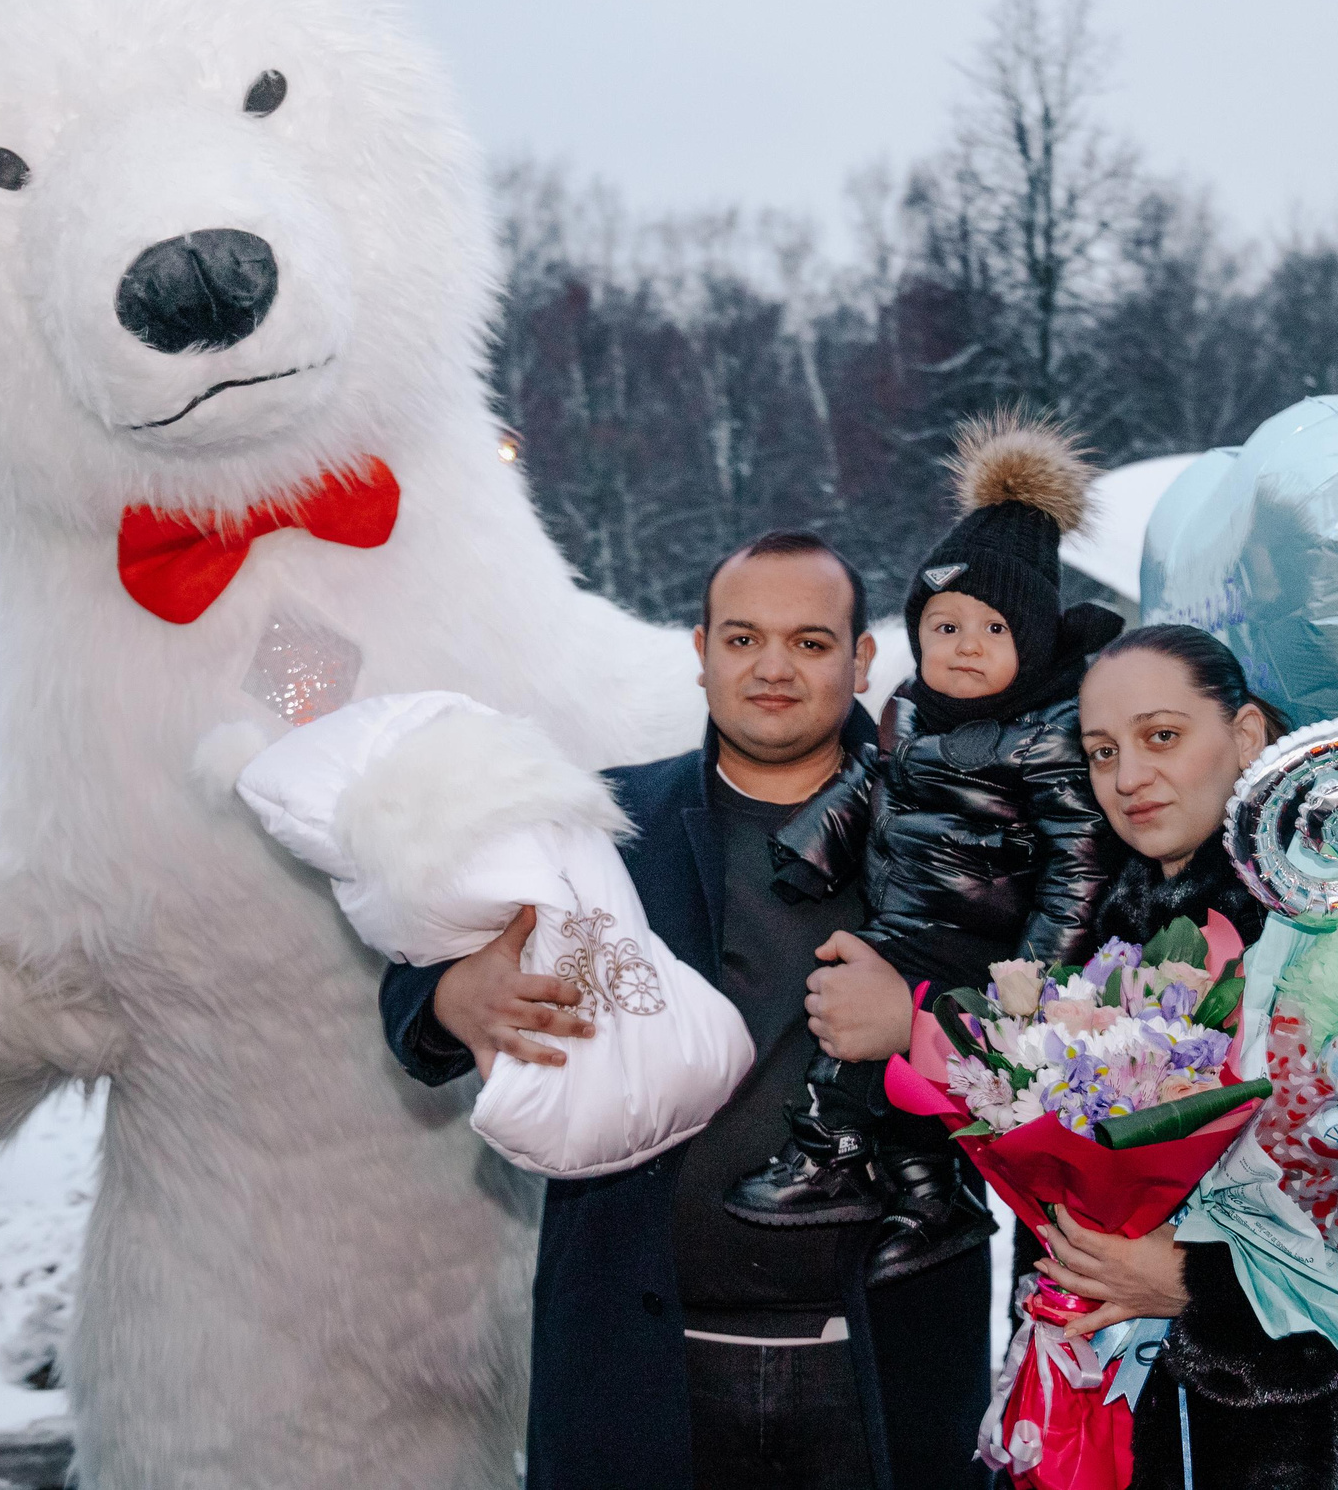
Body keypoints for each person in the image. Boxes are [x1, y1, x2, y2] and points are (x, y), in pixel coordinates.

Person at [377, 530, 991, 1490]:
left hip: (881, 1361)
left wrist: (919, 1023)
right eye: (743, 639)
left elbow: (1050, 1031)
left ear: (864, 659)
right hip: (639, 1364)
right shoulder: (604, 825)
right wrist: (457, 992)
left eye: (811, 641)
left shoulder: (956, 831)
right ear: (699, 650)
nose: (774, 667)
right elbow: (413, 986)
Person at [1027, 623, 1338, 1490]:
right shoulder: (1107, 939)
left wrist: (1196, 1285)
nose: (1128, 776)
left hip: (1307, 1445)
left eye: (1161, 735)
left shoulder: (1330, 929)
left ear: (1246, 734)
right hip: (1118, 1423)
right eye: (1102, 752)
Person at [727, 415, 1120, 1285]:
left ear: (1034, 641)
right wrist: (812, 845)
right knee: (891, 1043)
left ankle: (827, 1146)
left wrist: (1038, 978)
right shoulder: (909, 711)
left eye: (990, 630)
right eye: (944, 627)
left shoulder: (1049, 735)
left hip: (975, 925)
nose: (963, 649)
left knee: (859, 1011)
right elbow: (870, 779)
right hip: (912, 905)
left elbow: (1078, 863)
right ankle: (926, 1190)